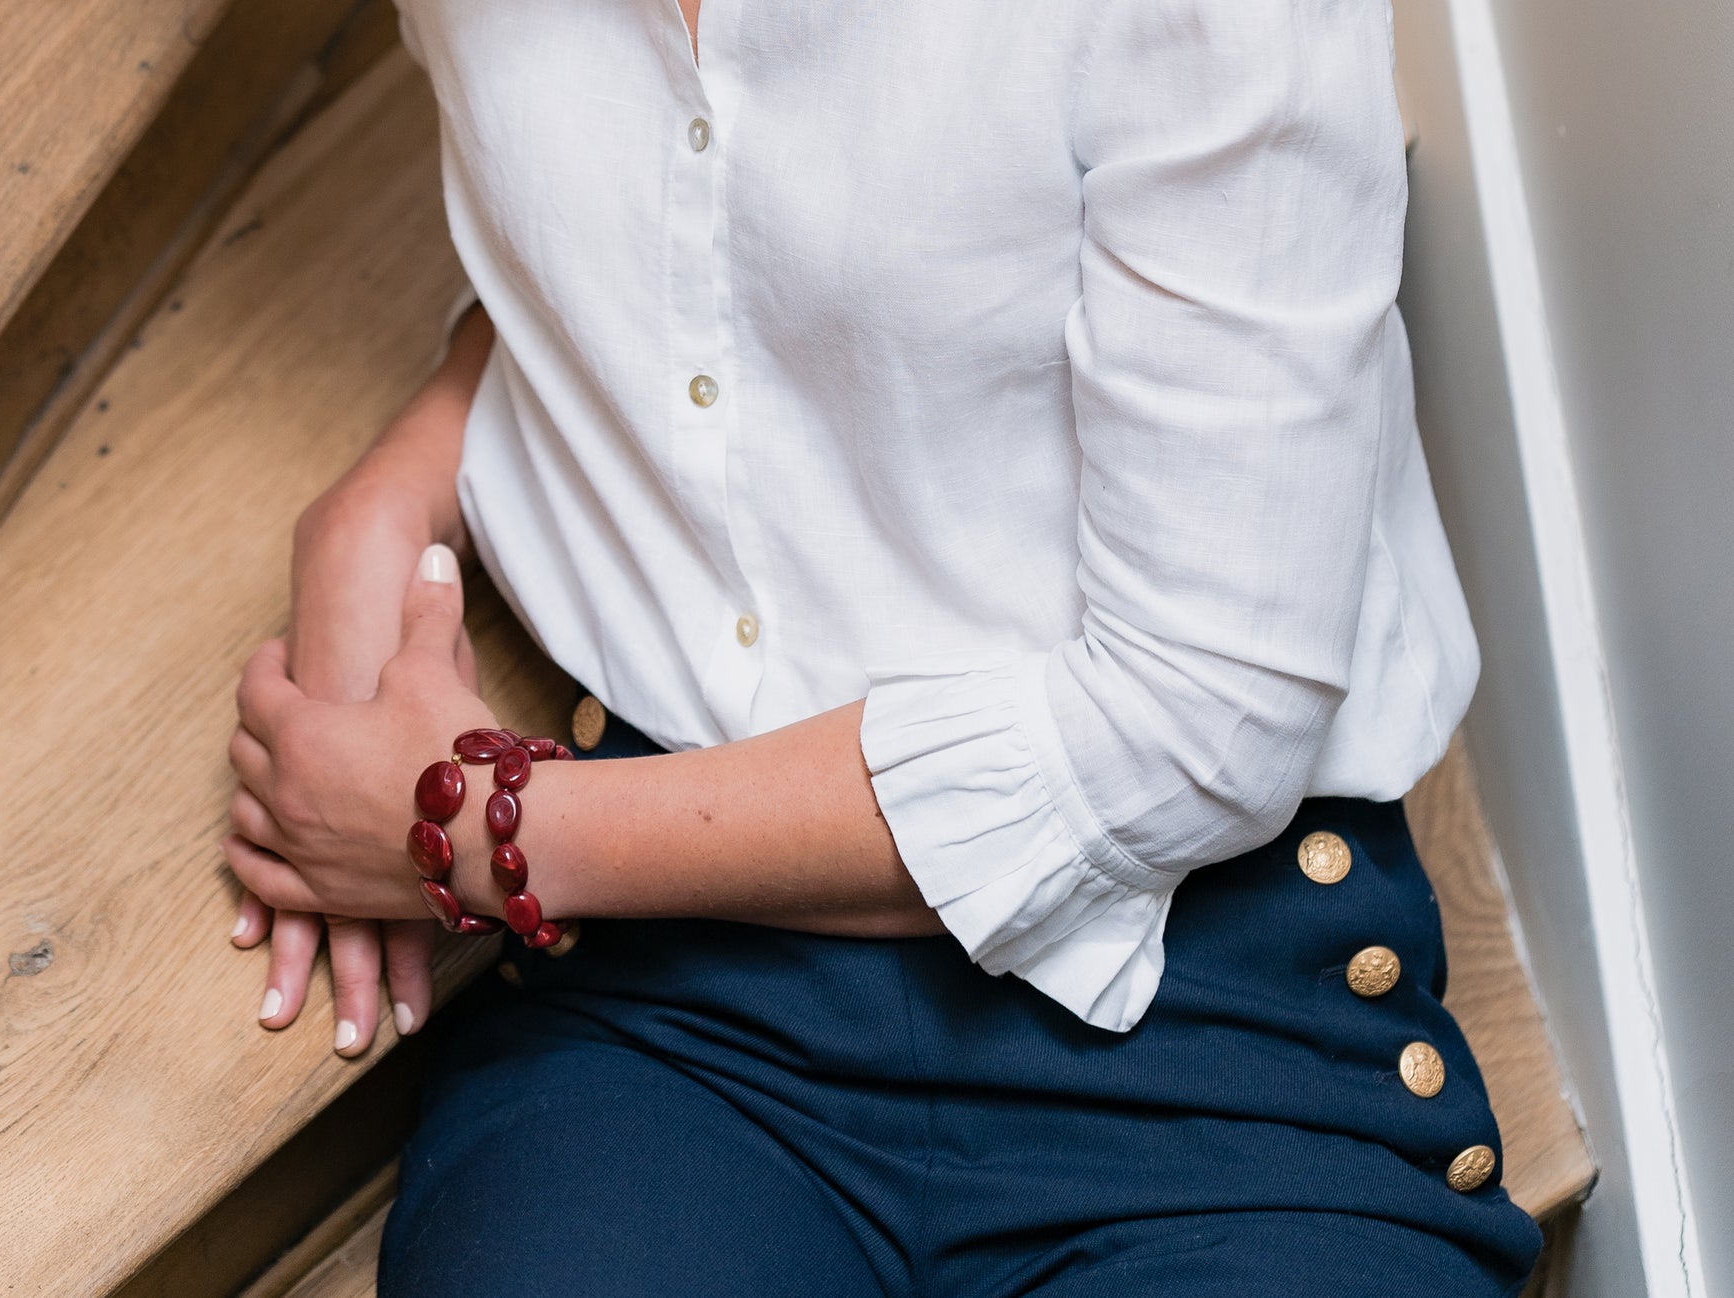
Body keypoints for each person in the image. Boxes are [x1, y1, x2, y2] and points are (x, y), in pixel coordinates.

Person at [220, 1, 1545, 1292]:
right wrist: (390, 491)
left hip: (1201, 1005)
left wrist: (493, 829)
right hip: (681, 1018)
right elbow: (698, 235)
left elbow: (1194, 727)